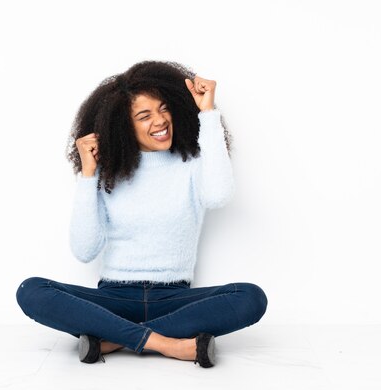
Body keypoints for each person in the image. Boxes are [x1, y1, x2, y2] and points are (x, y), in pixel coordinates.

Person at [16, 60, 268, 368]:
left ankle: (113, 340)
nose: (160, 121)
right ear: (124, 125)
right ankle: (168, 345)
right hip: (113, 299)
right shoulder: (108, 174)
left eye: (164, 109)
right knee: (32, 291)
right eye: (144, 115)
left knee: (251, 297)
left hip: (174, 300)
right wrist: (88, 175)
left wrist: (208, 113)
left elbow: (219, 195)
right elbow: (84, 251)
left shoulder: (192, 164)